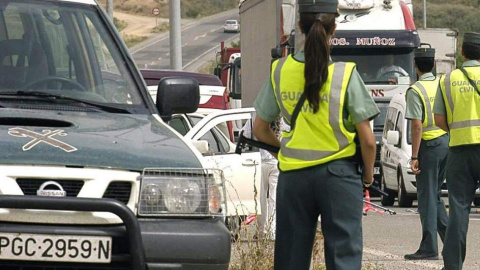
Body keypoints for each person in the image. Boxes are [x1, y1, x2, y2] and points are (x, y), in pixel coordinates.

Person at [252, 0, 379, 269]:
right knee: (343, 258)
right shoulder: (345, 75)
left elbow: (260, 129)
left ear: (300, 26)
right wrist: (367, 176)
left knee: (290, 259)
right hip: (340, 178)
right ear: (334, 29)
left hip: (294, 179)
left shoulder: (280, 70)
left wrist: (284, 149)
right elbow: (368, 140)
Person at [434, 32, 480, 270]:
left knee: (459, 208)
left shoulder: (447, 79)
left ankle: (453, 266)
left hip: (460, 150)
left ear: (462, 53)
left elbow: (439, 119)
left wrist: (456, 129)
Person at [403, 46, 449, 261]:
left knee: (426, 198)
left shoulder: (416, 90)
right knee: (436, 196)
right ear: (433, 64)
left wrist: (414, 156)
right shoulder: (442, 84)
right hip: (447, 143)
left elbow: (416, 126)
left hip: (429, 147)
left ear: (415, 66)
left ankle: (429, 247)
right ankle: (450, 243)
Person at [241, 116, 288, 240]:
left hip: (259, 161)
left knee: (261, 199)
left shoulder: (254, 119)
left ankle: (263, 231)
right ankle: (272, 231)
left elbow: (244, 135)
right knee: (274, 198)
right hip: (277, 161)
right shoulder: (284, 120)